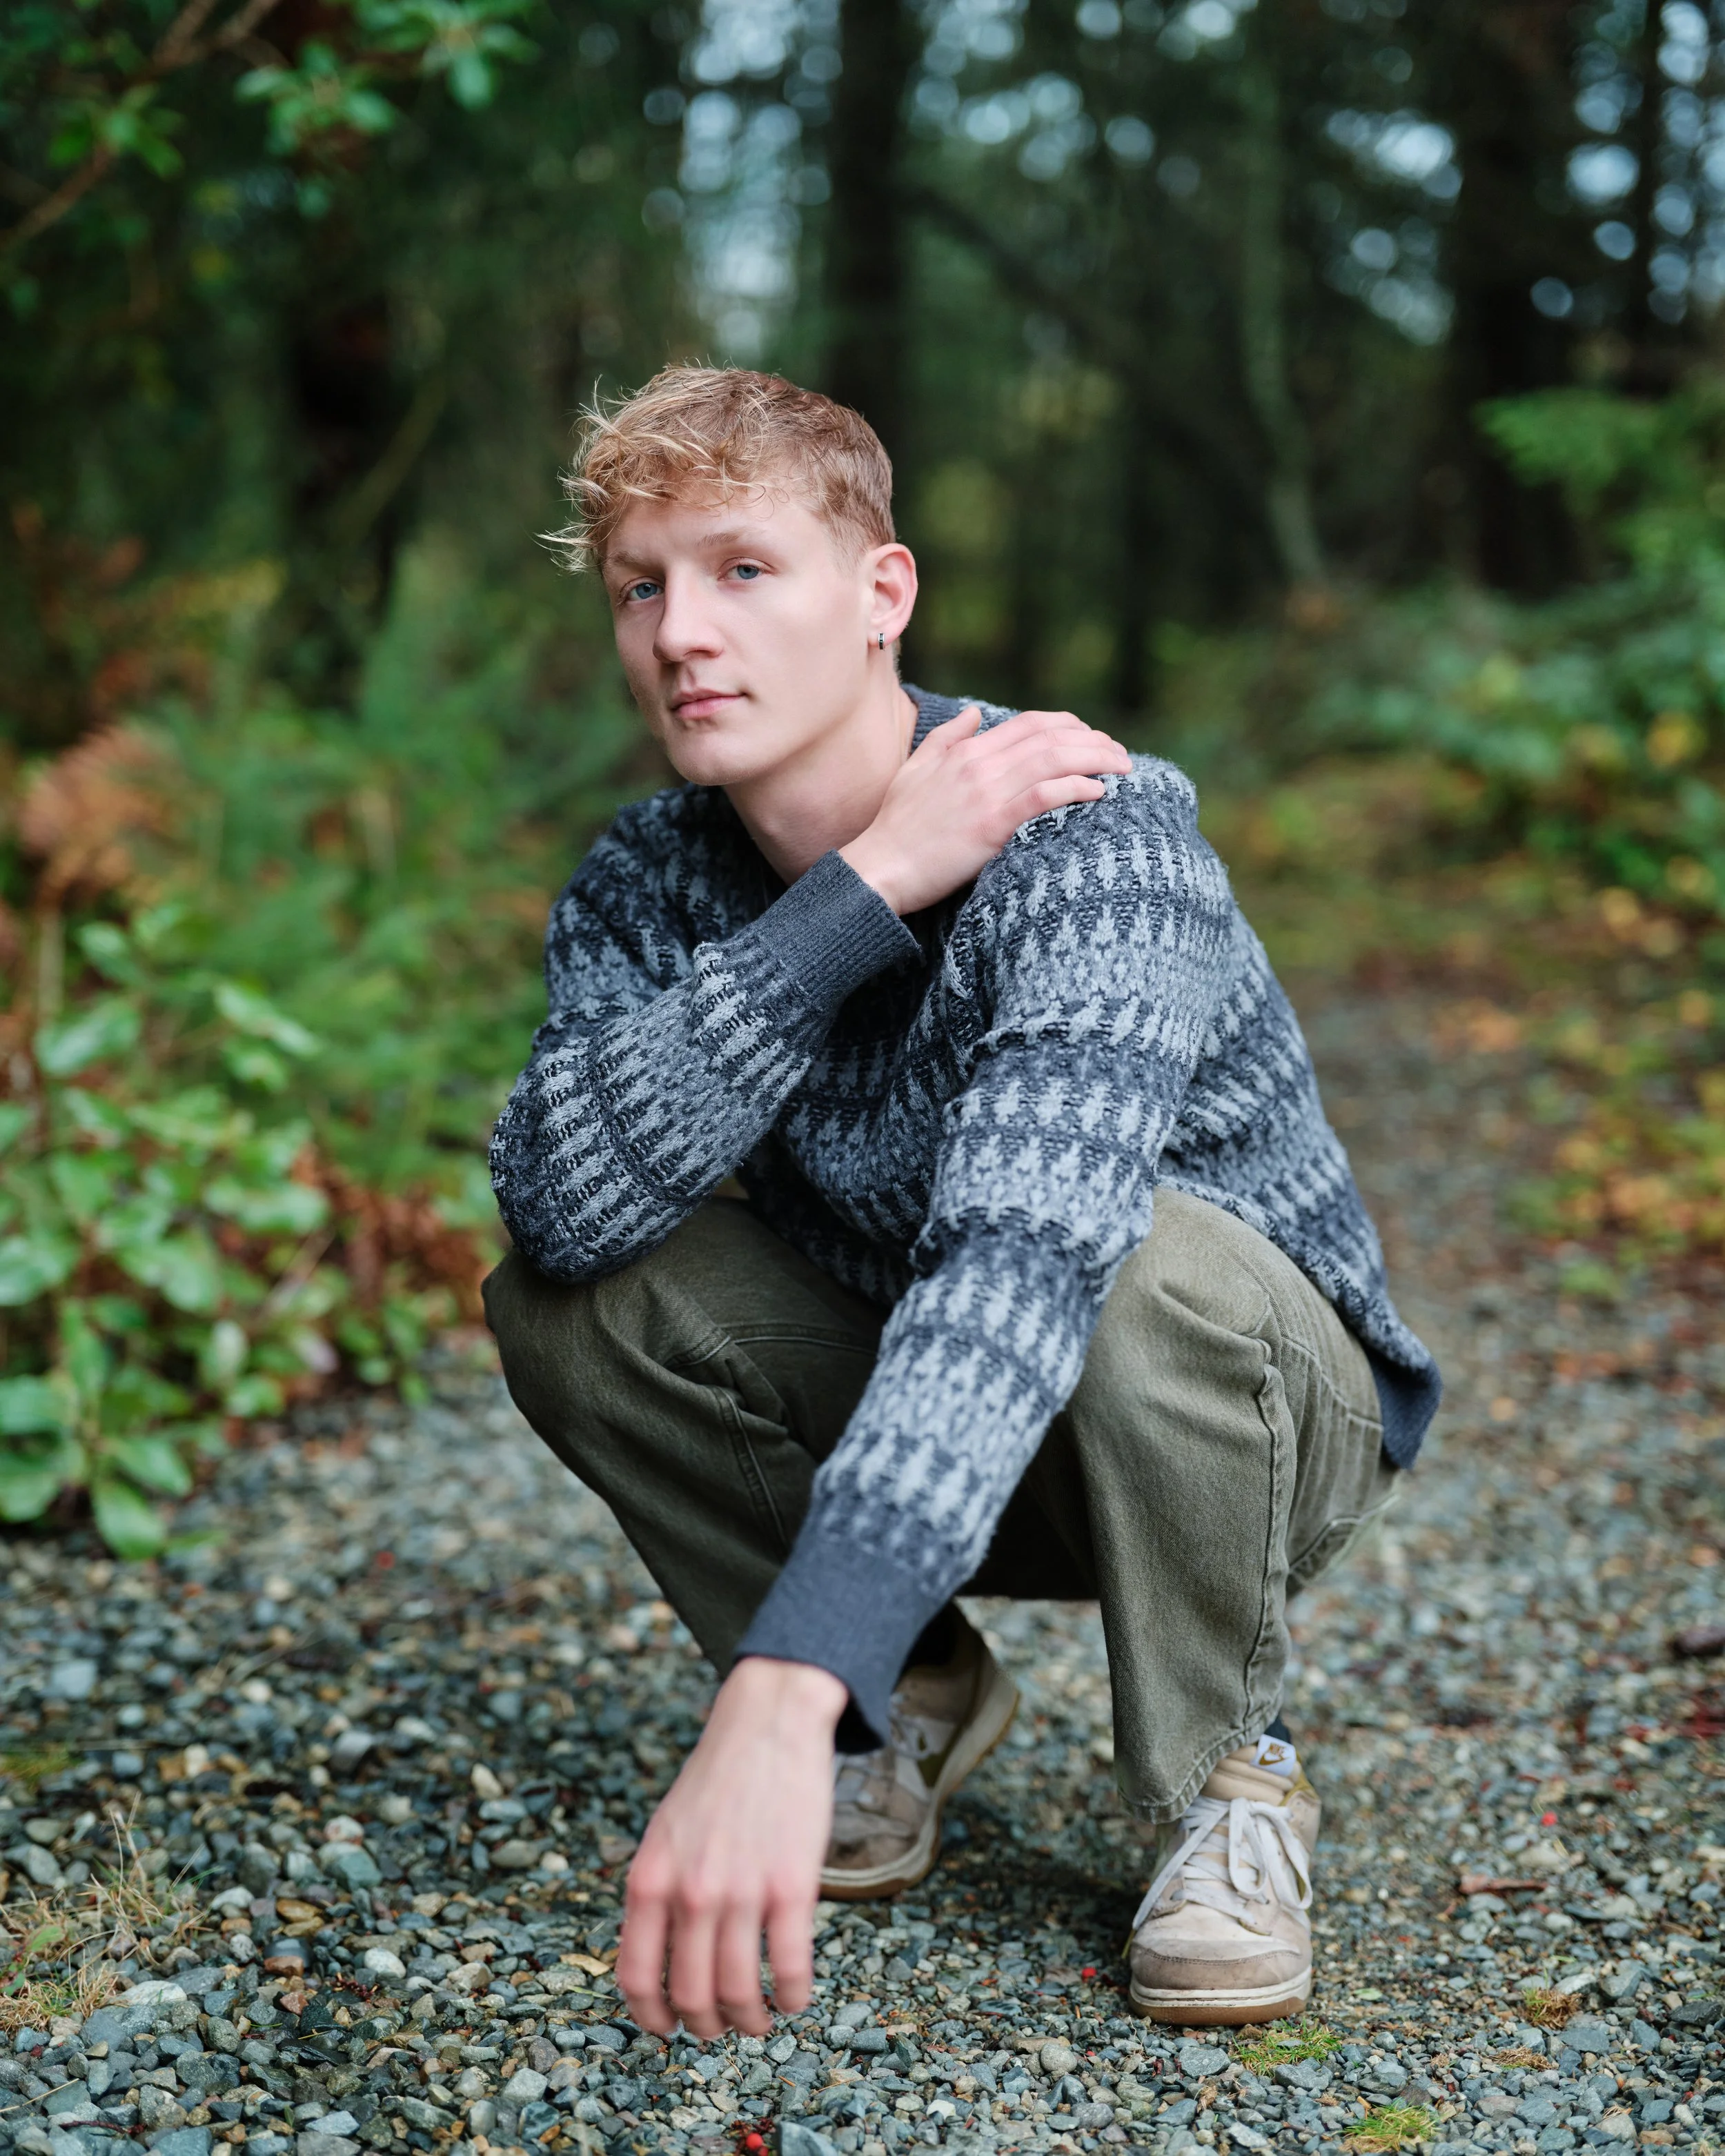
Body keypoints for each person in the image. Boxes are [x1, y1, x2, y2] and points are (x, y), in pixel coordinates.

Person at [483, 364, 1440, 2043]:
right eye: (642, 584)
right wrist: (859, 896)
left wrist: (767, 1694)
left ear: (881, 593)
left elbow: (1023, 1258)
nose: (680, 631)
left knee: (1129, 1247)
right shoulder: (650, 875)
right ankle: (900, 1681)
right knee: (576, 1294)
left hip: (1234, 1414)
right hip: (968, 1441)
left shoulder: (1095, 829)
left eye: (742, 568)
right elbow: (558, 1202)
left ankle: (1225, 1776)